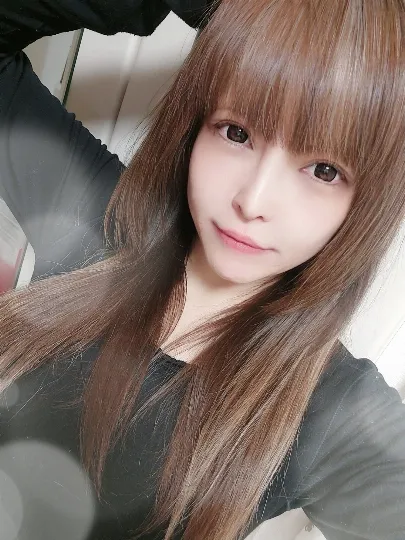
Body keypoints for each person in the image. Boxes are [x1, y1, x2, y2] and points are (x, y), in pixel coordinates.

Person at [0, 0, 404, 539]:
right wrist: (233, 14)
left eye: (323, 170)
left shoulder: (332, 410)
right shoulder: (96, 219)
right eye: (236, 133)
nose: (252, 201)